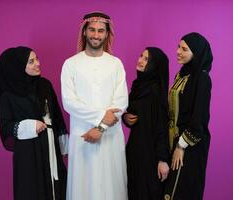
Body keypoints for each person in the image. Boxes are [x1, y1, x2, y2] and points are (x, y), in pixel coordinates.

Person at [61, 12, 128, 200]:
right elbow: (70, 102)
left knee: (112, 185)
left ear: (107, 34)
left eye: (100, 30)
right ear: (84, 32)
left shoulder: (115, 64)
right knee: (83, 186)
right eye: (92, 30)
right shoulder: (71, 64)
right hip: (82, 136)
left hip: (110, 136)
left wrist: (102, 127)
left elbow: (121, 102)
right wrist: (101, 117)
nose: (96, 35)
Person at [0, 46, 68, 200]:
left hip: (50, 145)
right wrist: (32, 126)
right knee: (32, 188)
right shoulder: (8, 94)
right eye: (31, 61)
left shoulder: (45, 85)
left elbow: (56, 115)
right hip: (28, 151)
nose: (38, 63)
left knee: (57, 186)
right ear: (18, 66)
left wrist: (63, 142)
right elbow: (5, 126)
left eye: (36, 59)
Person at [164, 32, 213, 200]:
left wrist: (181, 146)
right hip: (175, 140)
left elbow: (199, 117)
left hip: (190, 145)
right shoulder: (182, 75)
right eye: (178, 47)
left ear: (196, 53)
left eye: (184, 49)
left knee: (181, 190)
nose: (178, 51)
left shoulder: (202, 78)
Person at [123, 47, 170, 200]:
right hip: (135, 149)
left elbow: (161, 125)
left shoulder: (155, 91)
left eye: (146, 60)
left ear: (154, 66)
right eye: (141, 56)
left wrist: (162, 159)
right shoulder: (138, 85)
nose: (141, 61)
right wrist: (125, 118)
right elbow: (131, 112)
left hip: (150, 154)